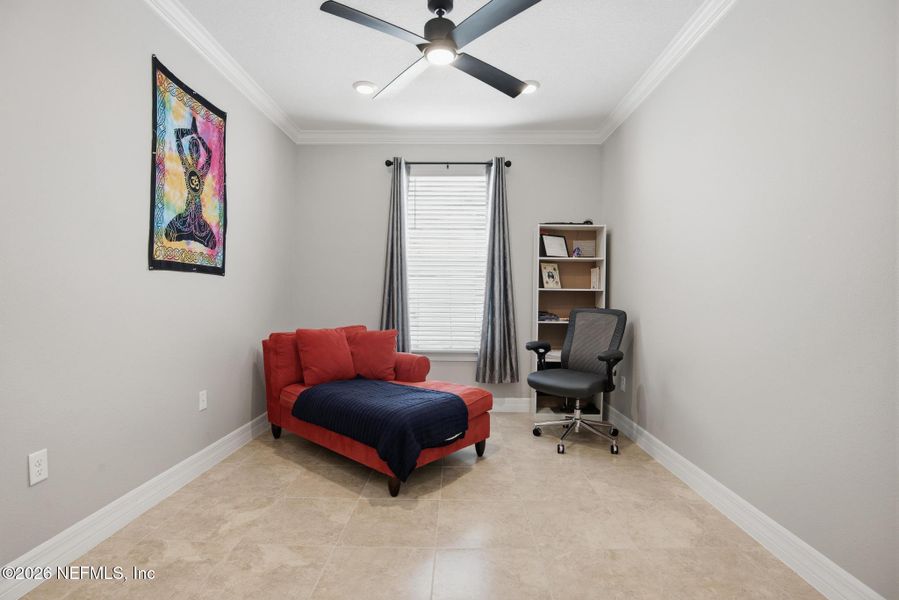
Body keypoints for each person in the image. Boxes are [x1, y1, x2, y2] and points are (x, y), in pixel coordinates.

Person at [164, 116, 217, 249]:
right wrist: (191, 133)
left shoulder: (201, 172)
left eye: (196, 149)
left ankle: (193, 232)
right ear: (190, 151)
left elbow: (210, 154)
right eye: (193, 148)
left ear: (199, 153)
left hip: (198, 214)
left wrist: (198, 136)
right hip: (188, 212)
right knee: (169, 233)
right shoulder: (188, 168)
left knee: (212, 242)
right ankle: (189, 231)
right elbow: (177, 138)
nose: (195, 151)